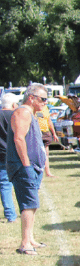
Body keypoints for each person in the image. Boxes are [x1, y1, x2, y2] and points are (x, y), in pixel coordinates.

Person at [7, 85, 49, 254]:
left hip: (33, 166)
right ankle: (25, 244)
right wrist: (26, 165)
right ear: (31, 97)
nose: (45, 102)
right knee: (28, 203)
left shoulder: (30, 113)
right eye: (43, 99)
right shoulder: (23, 112)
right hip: (24, 166)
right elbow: (19, 139)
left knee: (33, 204)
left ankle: (30, 238)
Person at [0, 92, 22, 223]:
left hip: (0, 155)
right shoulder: (15, 115)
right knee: (19, 183)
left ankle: (10, 214)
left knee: (4, 185)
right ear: (14, 104)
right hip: (13, 153)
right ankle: (25, 210)